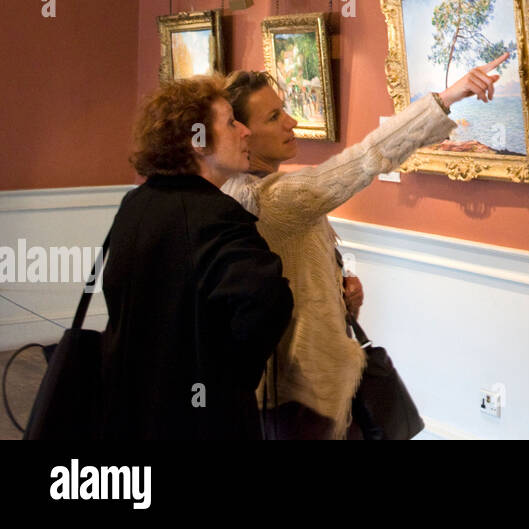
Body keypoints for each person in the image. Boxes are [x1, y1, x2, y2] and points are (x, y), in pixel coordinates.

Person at [222, 53, 507, 439]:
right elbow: (365, 159)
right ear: (241, 134)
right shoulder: (270, 198)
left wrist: (336, 286)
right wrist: (447, 98)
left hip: (297, 383)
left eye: (284, 110)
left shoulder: (249, 190)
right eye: (273, 118)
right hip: (303, 390)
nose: (290, 122)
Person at [99, 76, 293, 440]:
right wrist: (230, 377)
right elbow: (269, 302)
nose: (245, 132)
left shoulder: (137, 203)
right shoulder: (217, 215)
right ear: (198, 142)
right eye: (230, 122)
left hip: (130, 406)